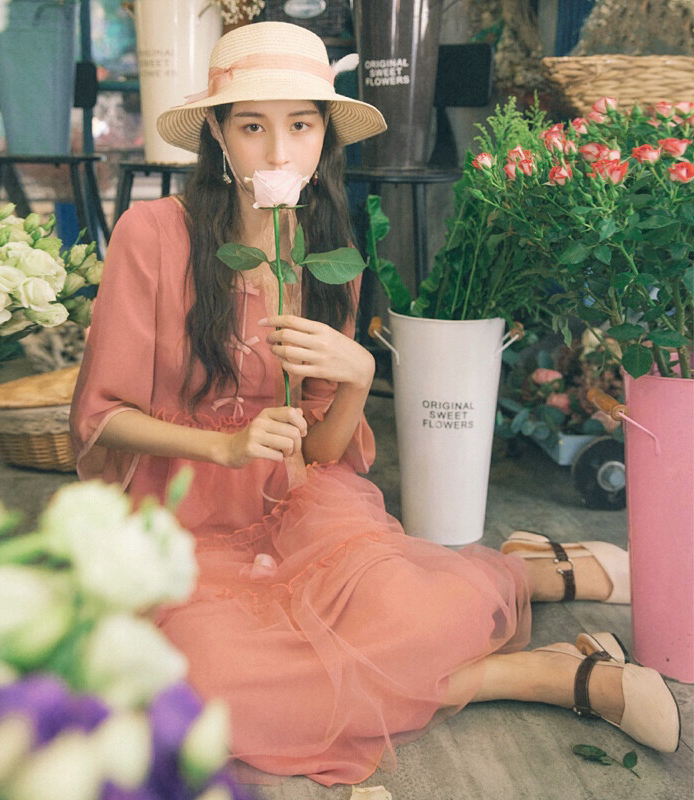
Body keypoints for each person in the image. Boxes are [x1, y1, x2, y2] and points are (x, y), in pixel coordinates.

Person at [70, 21, 679, 787]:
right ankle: (532, 673)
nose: (279, 150)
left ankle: (523, 575)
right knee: (204, 689)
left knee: (421, 615)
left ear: (326, 135)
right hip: (179, 517)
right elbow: (100, 419)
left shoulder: (331, 249)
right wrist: (224, 447)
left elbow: (323, 454)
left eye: (302, 123)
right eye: (252, 126)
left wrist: (357, 375)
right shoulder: (150, 234)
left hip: (301, 503)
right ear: (217, 137)